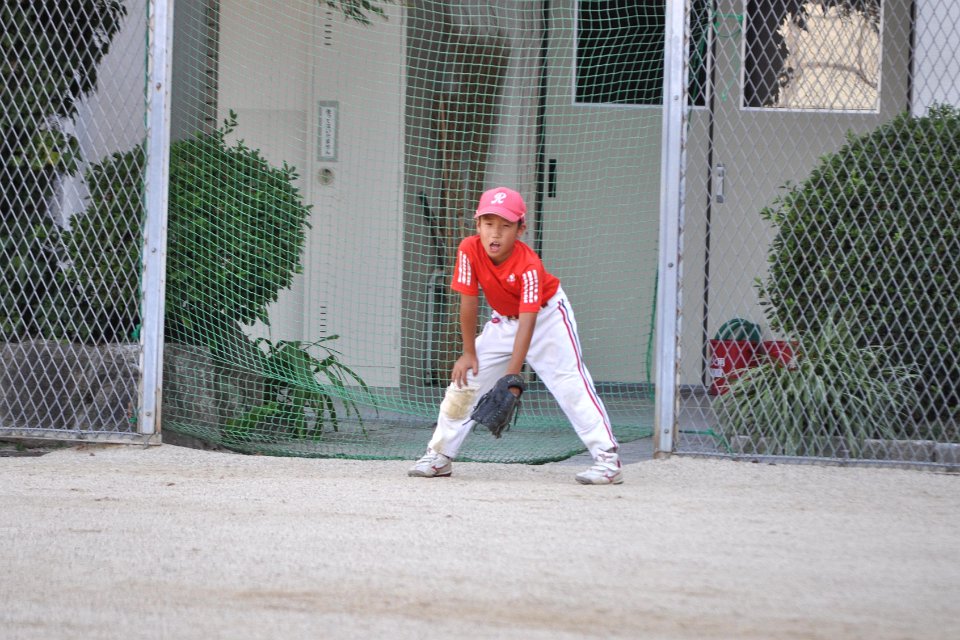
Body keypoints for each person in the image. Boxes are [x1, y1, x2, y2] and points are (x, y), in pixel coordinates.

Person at [408, 187, 622, 485]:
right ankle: (439, 455)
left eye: (505, 225)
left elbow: (528, 321)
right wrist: (469, 352)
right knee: (465, 383)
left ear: (521, 229)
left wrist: (512, 377)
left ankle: (607, 460)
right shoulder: (469, 249)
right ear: (477, 224)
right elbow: (468, 303)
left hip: (547, 319)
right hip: (503, 321)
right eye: (488, 223)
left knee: (570, 384)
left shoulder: (529, 265)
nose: (495, 233)